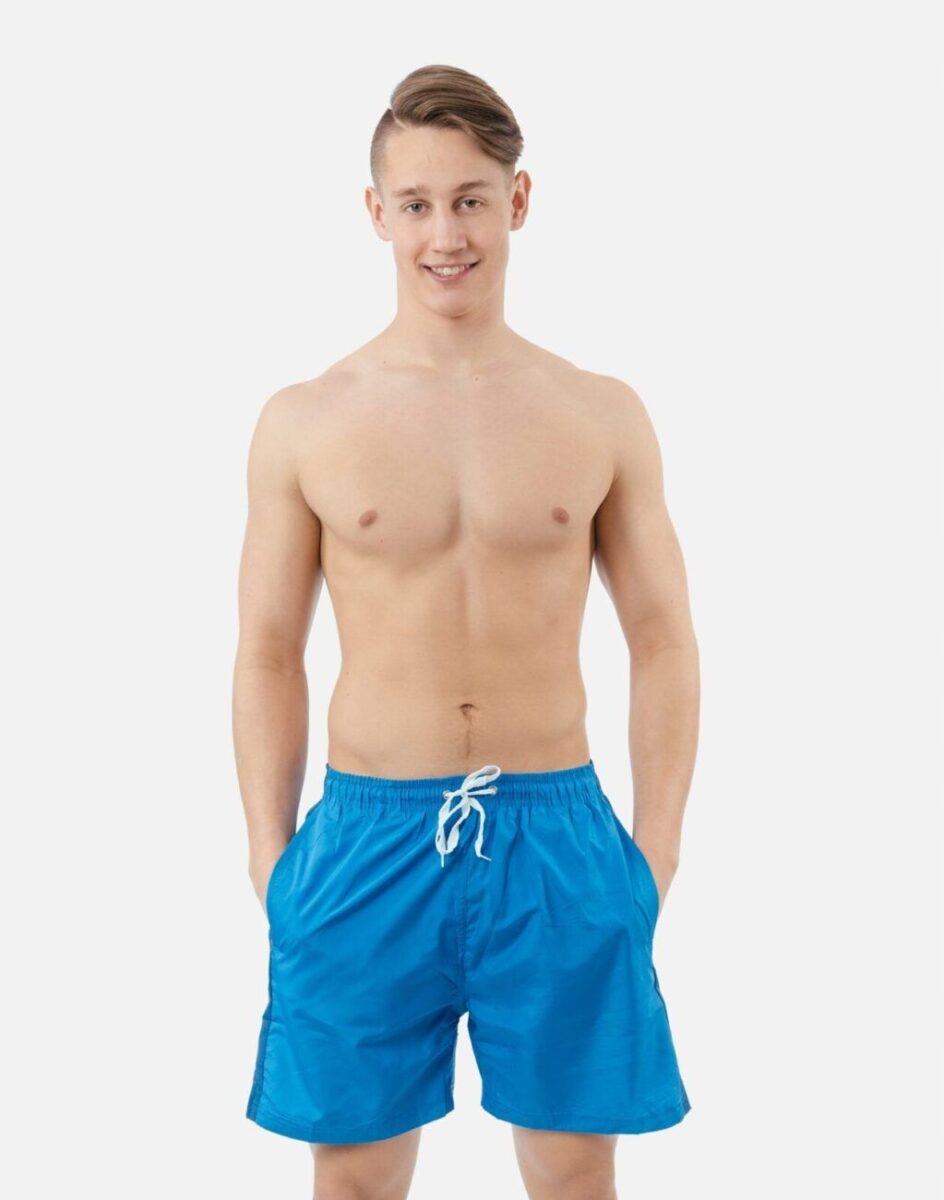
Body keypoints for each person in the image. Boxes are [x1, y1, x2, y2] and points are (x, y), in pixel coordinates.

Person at [234, 63, 699, 1200]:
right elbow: (267, 651)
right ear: (376, 214)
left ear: (518, 200)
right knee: (354, 1181)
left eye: (471, 199)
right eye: (417, 204)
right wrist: (269, 857)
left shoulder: (598, 412)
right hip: (366, 836)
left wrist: (655, 852)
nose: (445, 234)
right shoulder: (306, 420)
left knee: (572, 1177)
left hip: (556, 835)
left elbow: (661, 637)